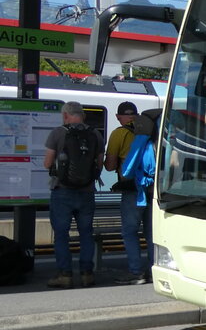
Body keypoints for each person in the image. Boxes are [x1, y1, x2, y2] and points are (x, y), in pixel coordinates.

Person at [42, 101, 103, 288]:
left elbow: (47, 163)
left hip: (62, 192)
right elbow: (99, 164)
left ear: (65, 115)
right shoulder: (95, 134)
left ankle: (65, 275)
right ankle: (87, 274)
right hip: (86, 192)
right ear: (82, 115)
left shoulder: (57, 133)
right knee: (86, 234)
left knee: (61, 234)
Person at [105, 101, 151, 284]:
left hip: (132, 189)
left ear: (118, 117)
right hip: (151, 187)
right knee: (151, 233)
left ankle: (136, 271)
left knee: (130, 232)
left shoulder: (119, 133)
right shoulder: (149, 133)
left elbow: (109, 166)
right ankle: (155, 269)